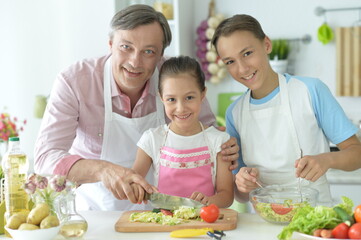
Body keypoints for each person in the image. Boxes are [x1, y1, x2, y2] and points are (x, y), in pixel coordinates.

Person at [34, 4, 239, 211]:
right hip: (94, 212)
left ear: (161, 55)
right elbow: (45, 158)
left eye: (148, 51)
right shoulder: (75, 82)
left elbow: (208, 138)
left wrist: (227, 149)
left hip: (163, 212)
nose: (135, 61)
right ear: (111, 44)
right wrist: (103, 170)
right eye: (126, 47)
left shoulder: (176, 81)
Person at [211, 14, 361, 204]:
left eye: (247, 53)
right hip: (264, 221)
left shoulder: (310, 91)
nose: (242, 69)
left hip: (314, 219)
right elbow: (241, 196)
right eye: (230, 62)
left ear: (266, 45)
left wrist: (326, 160)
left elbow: (357, 154)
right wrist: (242, 182)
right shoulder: (234, 113)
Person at [132, 56, 234, 208]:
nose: (181, 108)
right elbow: (134, 181)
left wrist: (208, 202)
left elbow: (226, 196)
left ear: (203, 95)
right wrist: (139, 189)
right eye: (171, 99)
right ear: (161, 98)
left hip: (204, 225)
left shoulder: (219, 141)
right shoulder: (152, 139)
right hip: (164, 226)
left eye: (189, 97)